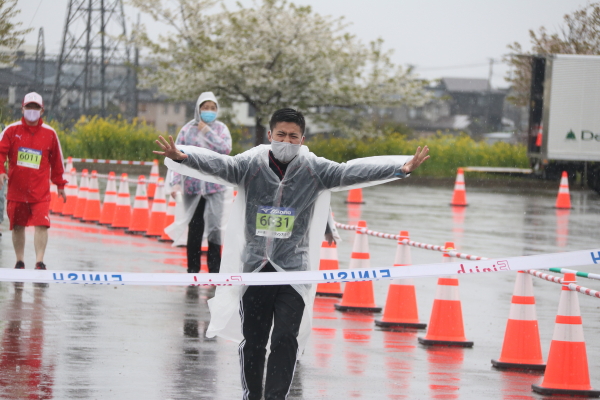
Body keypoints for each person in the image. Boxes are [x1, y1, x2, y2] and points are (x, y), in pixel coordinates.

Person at [155, 108, 429, 400]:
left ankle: (276, 397)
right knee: (254, 341)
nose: (286, 141)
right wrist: (183, 157)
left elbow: (350, 171)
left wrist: (399, 168)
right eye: (281, 135)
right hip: (256, 268)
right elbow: (221, 165)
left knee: (286, 338)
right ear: (270, 135)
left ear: (302, 139)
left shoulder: (314, 169)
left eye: (293, 136)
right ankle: (253, 396)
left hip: (294, 270)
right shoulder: (251, 165)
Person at [0, 92, 67, 270]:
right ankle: (20, 261)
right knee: (18, 226)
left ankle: (39, 261)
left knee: (42, 225)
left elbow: (57, 161)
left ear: (42, 111)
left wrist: (60, 184)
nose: (32, 110)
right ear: (22, 109)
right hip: (17, 190)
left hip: (40, 192)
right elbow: (0, 152)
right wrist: (1, 171)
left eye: (35, 107)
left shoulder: (50, 134)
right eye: (28, 107)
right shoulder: (11, 131)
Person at [169, 91, 232, 273]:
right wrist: (175, 183)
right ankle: (193, 269)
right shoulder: (187, 130)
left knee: (215, 228)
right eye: (205, 107)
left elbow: (225, 149)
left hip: (215, 186)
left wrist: (207, 131)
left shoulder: (220, 129)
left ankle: (214, 269)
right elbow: (176, 156)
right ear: (198, 108)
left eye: (213, 108)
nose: (209, 111)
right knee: (195, 227)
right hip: (193, 187)